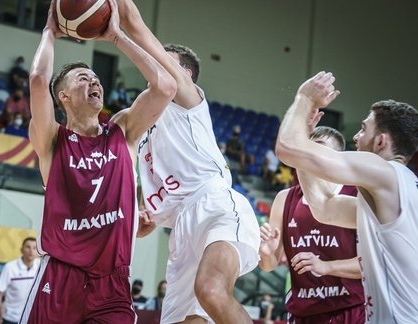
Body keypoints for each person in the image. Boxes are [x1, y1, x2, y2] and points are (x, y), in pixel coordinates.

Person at [19, 0, 176, 322]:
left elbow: (164, 87)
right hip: (60, 277)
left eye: (95, 78)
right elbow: (38, 80)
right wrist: (50, 32)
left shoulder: (123, 131)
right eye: (82, 79)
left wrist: (117, 37)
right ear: (62, 96)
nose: (94, 82)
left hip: (112, 283)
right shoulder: (51, 139)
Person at [118, 0, 260, 323]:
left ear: (185, 75)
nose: (151, 63)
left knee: (211, 290)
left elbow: (139, 29)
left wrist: (118, 27)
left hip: (215, 204)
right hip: (181, 226)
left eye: (161, 60)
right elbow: (152, 210)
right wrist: (149, 217)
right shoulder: (142, 123)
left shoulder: (186, 99)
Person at [276, 71, 418, 323]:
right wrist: (306, 144)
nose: (356, 137)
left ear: (381, 142)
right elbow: (324, 208)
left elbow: (287, 148)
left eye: (364, 129)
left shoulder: (385, 173)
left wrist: (304, 98)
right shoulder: (399, 190)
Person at [259, 126, 365, 323]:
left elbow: (373, 264)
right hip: (303, 311)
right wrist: (266, 254)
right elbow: (268, 266)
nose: (310, 153)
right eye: (307, 147)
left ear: (337, 159)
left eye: (319, 147)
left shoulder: (358, 195)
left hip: (350, 307)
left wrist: (326, 266)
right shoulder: (284, 198)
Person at [0, 237, 40, 324]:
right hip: (11, 319)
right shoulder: (10, 267)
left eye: (34, 248)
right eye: (28, 247)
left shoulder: (41, 266)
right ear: (21, 250)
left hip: (31, 318)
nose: (31, 251)